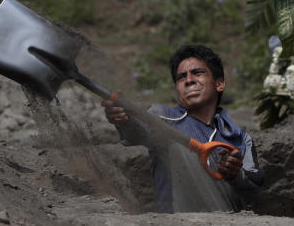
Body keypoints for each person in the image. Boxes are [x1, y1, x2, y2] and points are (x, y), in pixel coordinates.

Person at [101, 44, 263, 213]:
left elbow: (257, 195)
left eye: (197, 73)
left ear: (219, 84)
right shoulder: (162, 118)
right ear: (176, 90)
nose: (188, 80)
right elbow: (137, 130)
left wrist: (235, 175)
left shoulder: (240, 139)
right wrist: (124, 120)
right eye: (180, 77)